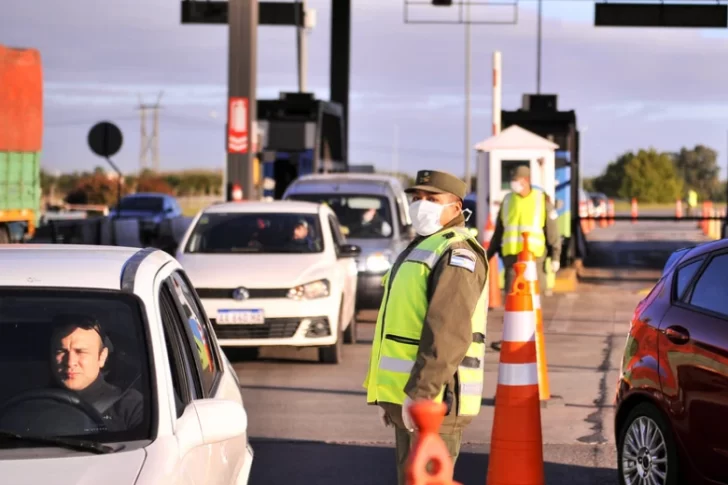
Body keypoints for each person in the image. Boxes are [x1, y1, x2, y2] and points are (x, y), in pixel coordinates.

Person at [363, 169, 489, 485]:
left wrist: (420, 395)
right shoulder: (425, 246)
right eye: (417, 198)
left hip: (434, 402)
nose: (422, 205)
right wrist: (389, 398)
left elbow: (447, 334)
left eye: (432, 199)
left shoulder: (456, 253)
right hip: (411, 398)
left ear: (456, 208)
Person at [50, 314, 144, 432]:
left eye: (81, 352)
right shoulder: (37, 406)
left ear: (102, 357)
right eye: (61, 351)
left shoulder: (131, 407)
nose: (70, 362)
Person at [487, 165, 561, 296]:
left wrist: (556, 256)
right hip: (512, 259)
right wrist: (487, 255)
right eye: (513, 180)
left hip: (534, 259)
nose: (514, 183)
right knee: (513, 298)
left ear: (527, 180)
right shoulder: (507, 200)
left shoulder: (541, 199)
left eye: (517, 180)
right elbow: (499, 231)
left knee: (534, 298)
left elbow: (552, 231)